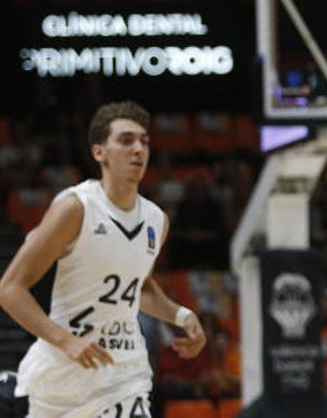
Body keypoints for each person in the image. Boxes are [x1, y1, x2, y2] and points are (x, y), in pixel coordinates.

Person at [0, 101, 206, 417]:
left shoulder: (156, 220)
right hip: (62, 378)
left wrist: (180, 315)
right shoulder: (75, 208)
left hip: (124, 374)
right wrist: (67, 341)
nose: (138, 149)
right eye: (126, 141)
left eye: (144, 141)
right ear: (99, 152)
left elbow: (140, 288)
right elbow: (10, 289)